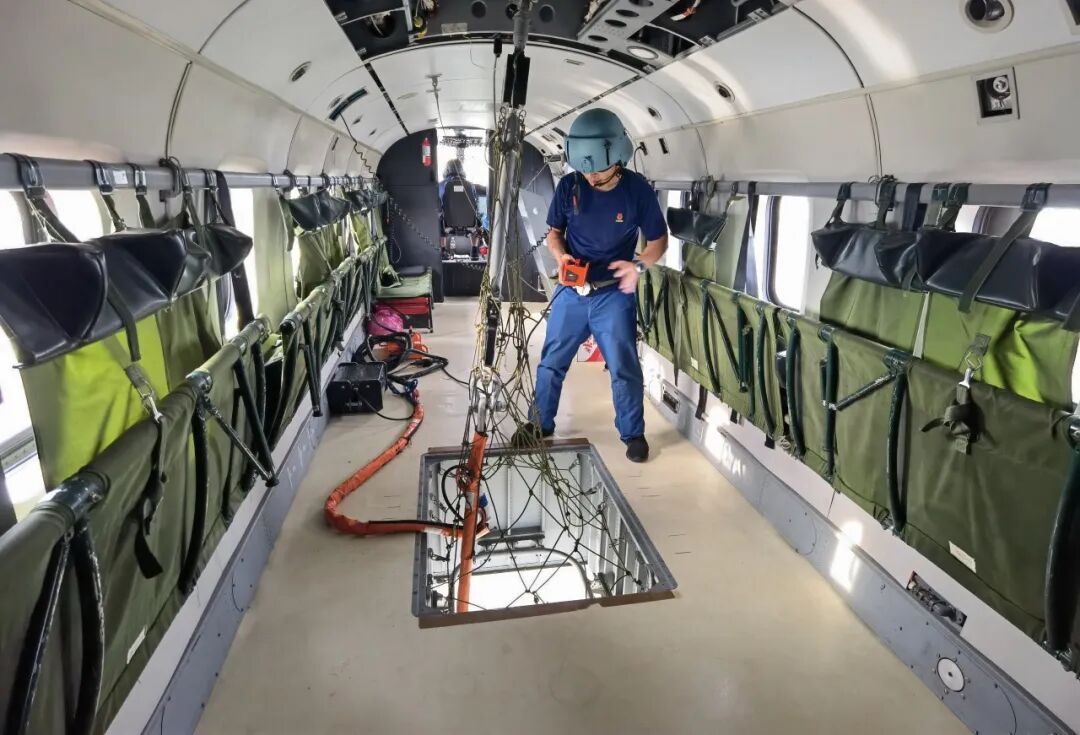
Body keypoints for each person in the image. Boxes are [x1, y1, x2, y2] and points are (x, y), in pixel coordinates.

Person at [513, 109, 668, 463]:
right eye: (585, 169)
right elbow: (554, 233)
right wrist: (561, 256)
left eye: (597, 169)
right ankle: (540, 424)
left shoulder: (638, 191)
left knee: (623, 367)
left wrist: (638, 266)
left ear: (618, 156)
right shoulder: (569, 186)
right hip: (572, 290)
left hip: (613, 293)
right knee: (551, 361)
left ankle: (633, 434)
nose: (591, 176)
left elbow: (659, 241)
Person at [438, 157, 486, 259]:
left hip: (447, 223)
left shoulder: (441, 186)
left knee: (439, 220)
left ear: (447, 170)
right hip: (470, 223)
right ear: (461, 170)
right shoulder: (471, 186)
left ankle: (443, 251)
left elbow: (437, 201)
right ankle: (474, 251)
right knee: (478, 223)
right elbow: (481, 194)